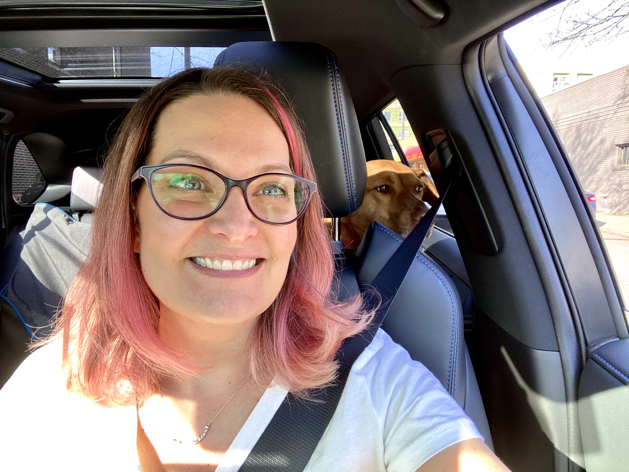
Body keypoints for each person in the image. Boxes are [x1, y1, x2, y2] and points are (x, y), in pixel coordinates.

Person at [0, 67, 509, 472]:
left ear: (297, 226)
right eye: (188, 180)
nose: (236, 225)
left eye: (270, 187)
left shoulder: (373, 377)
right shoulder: (47, 393)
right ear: (132, 221)